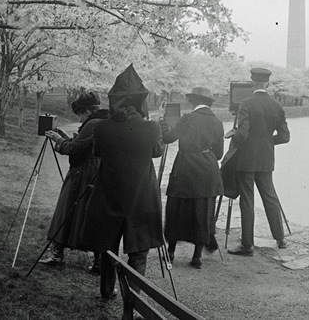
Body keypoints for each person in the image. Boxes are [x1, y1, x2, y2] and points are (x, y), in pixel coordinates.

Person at [78, 64, 164, 300]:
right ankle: (133, 299)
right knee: (139, 251)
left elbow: (96, 153)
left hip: (109, 194)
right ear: (140, 101)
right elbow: (157, 152)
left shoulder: (102, 128)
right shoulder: (151, 128)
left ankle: (107, 291)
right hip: (141, 196)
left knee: (107, 246)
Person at [39, 92, 109, 273]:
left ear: (87, 111)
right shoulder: (104, 120)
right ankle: (98, 261)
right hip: (96, 172)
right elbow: (82, 145)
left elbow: (74, 149)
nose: (79, 118)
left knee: (66, 209)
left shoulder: (93, 123)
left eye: (80, 114)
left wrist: (58, 140)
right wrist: (66, 137)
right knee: (91, 215)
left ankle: (57, 255)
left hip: (83, 173)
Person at [226, 67, 290, 256]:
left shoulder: (246, 104)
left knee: (247, 200)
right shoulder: (277, 106)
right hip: (266, 159)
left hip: (246, 160)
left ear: (253, 83)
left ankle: (247, 245)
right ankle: (280, 239)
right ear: (268, 84)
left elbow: (243, 133)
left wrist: (233, 136)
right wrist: (267, 142)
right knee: (270, 197)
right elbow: (285, 137)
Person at [159, 87, 224, 269]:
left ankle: (170, 253)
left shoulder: (187, 119)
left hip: (185, 167)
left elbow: (168, 138)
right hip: (208, 169)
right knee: (203, 212)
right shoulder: (217, 122)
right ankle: (197, 257)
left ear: (193, 102)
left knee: (177, 208)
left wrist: (162, 122)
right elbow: (218, 154)